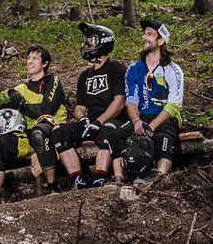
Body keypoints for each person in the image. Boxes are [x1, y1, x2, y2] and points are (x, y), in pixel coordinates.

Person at [0, 46, 68, 204]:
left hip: (52, 130)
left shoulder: (53, 81)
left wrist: (22, 107)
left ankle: (52, 188)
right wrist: (9, 94)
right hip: (26, 137)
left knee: (37, 134)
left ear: (45, 63)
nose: (30, 61)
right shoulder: (23, 87)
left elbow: (47, 108)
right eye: (28, 58)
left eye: (35, 58)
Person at [49, 22, 130, 189]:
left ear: (103, 42)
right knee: (58, 132)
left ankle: (99, 178)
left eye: (90, 41)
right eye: (85, 41)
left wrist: (98, 123)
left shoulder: (117, 68)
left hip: (111, 121)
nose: (85, 45)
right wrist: (83, 120)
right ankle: (79, 180)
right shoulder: (84, 76)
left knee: (109, 128)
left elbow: (120, 102)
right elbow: (79, 107)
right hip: (90, 123)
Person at [123, 19, 184, 187]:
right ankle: (119, 178)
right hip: (142, 114)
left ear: (161, 40)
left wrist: (152, 126)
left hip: (165, 116)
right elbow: (131, 99)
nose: (144, 37)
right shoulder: (134, 69)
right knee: (117, 136)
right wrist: (136, 121)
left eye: (149, 34)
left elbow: (174, 104)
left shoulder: (173, 70)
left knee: (162, 138)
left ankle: (159, 176)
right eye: (144, 33)